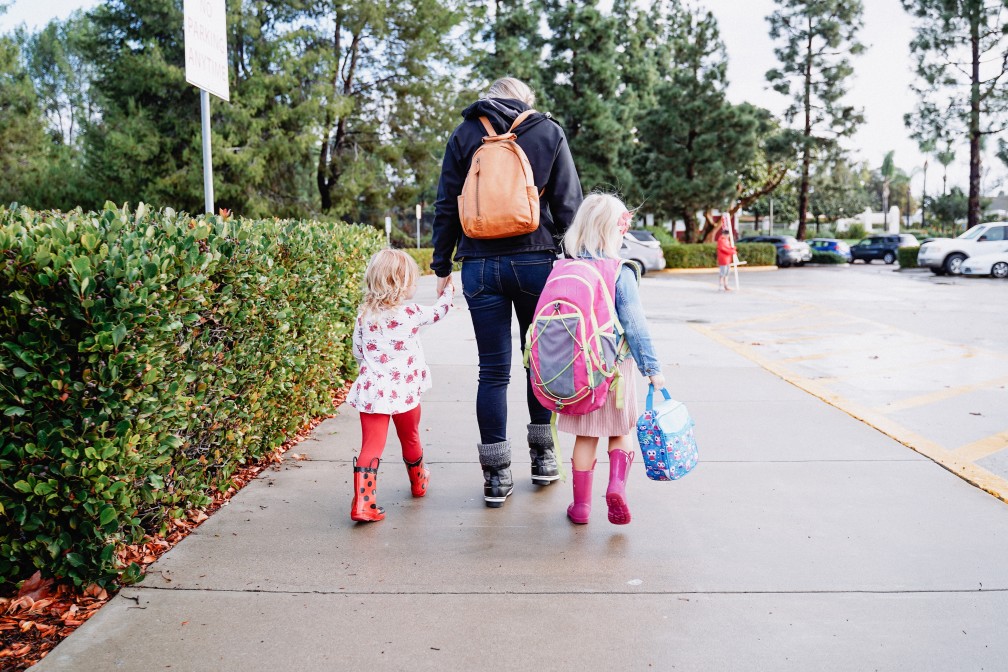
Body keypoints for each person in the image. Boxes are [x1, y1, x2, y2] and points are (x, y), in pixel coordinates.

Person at [431, 77, 583, 508]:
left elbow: (446, 201)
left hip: (479, 265)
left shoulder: (464, 133)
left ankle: (496, 477)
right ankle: (544, 458)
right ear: (525, 100)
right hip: (537, 262)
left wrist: (442, 264)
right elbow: (570, 204)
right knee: (541, 360)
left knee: (493, 371)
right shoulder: (548, 131)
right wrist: (579, 262)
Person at [558, 194, 665, 525]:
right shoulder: (621, 271)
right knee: (620, 431)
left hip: (577, 370)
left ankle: (581, 508)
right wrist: (653, 370)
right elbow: (635, 325)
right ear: (615, 231)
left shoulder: (565, 267)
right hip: (615, 369)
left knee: (586, 436)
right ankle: (616, 487)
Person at [345, 249, 454, 522]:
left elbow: (358, 352)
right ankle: (418, 483)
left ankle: (363, 503)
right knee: (411, 437)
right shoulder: (412, 312)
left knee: (371, 446)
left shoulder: (363, 317)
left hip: (374, 393)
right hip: (405, 392)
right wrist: (448, 291)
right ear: (403, 284)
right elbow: (440, 311)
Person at [716, 227, 736, 291]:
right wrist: (732, 251)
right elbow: (724, 249)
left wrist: (733, 249)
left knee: (727, 273)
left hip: (727, 259)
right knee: (723, 272)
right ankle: (721, 285)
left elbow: (728, 248)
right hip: (723, 259)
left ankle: (726, 285)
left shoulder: (726, 240)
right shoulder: (721, 240)